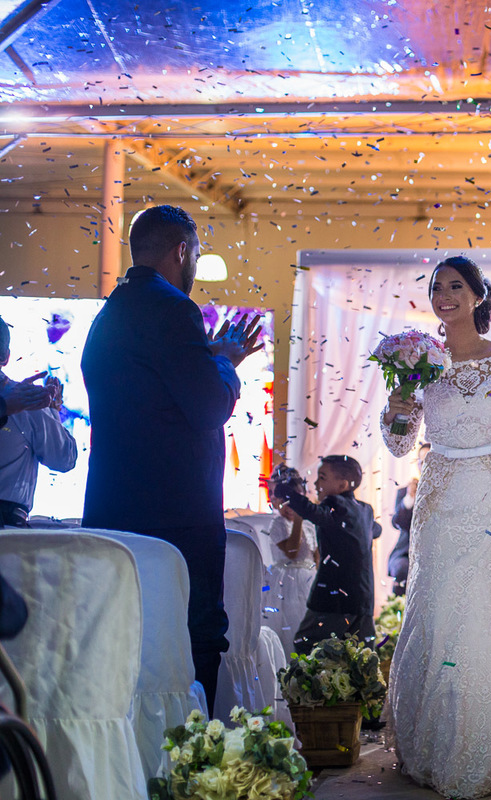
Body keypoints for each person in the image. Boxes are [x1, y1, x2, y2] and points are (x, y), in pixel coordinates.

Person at [382, 256, 491, 798]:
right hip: (439, 498)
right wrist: (398, 406)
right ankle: (440, 743)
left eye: (456, 286)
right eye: (437, 287)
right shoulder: (418, 362)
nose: (445, 295)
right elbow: (397, 443)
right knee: (441, 608)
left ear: (479, 295)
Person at [80, 205, 262, 712]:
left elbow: (153, 394)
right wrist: (224, 364)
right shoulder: (174, 309)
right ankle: (194, 763)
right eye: (198, 254)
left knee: (130, 645)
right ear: (182, 250)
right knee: (193, 641)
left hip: (116, 509)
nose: (197, 266)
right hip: (176, 517)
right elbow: (207, 408)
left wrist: (207, 356)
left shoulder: (112, 311)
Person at [274, 455, 380, 654]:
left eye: (322, 477)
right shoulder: (365, 510)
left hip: (334, 597)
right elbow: (377, 530)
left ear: (342, 485)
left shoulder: (336, 504)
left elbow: (314, 512)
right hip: (363, 599)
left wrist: (288, 493)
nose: (315, 483)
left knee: (307, 649)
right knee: (359, 659)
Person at [0, 316, 77, 526]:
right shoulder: (27, 402)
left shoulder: (25, 400)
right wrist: (51, 414)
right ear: (6, 357)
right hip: (6, 536)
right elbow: (64, 459)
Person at [264, 465, 317, 657]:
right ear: (276, 500)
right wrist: (299, 521)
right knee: (290, 628)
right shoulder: (277, 524)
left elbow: (316, 558)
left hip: (309, 579)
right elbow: (292, 552)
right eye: (284, 501)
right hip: (286, 583)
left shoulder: (310, 526)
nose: (290, 506)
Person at [387, 442, 429, 597]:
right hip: (407, 553)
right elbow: (398, 523)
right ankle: (397, 611)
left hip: (434, 552)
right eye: (422, 461)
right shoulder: (405, 491)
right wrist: (410, 498)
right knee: (402, 569)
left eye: (429, 461)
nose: (425, 466)